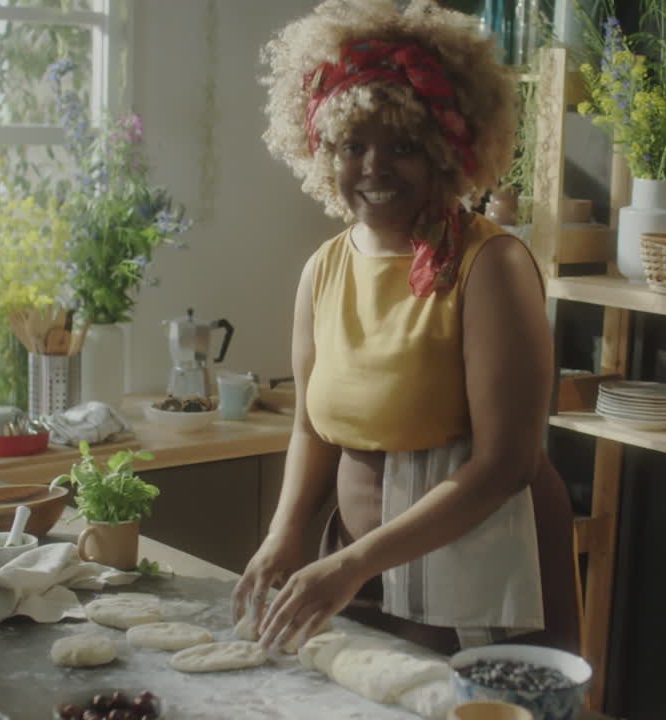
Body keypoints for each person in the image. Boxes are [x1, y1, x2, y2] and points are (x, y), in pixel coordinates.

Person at [232, 0, 579, 657]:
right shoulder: (323, 270)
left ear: (450, 149)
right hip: (355, 570)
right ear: (321, 149)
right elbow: (313, 427)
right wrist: (284, 536)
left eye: (403, 145)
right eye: (352, 144)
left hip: (479, 569)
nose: (374, 167)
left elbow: (506, 464)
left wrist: (354, 563)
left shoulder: (491, 265)